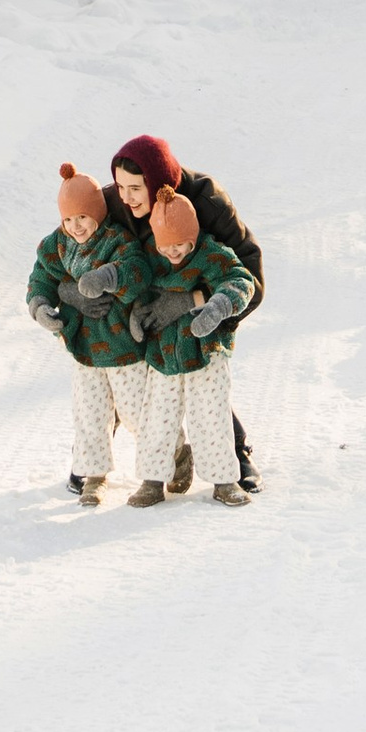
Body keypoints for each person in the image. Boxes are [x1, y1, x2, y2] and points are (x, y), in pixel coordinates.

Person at [111, 133, 262, 496]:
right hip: (145, 310)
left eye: (135, 188)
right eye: (120, 186)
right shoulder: (118, 199)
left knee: (204, 382)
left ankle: (234, 452)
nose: (126, 196)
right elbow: (73, 235)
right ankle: (92, 451)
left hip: (203, 312)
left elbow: (250, 277)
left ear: (158, 182)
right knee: (132, 387)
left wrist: (193, 303)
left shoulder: (208, 201)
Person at [26, 162, 152, 509]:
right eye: (69, 219)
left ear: (97, 212)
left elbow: (137, 271)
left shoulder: (116, 239)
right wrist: (40, 307)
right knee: (90, 414)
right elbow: (41, 279)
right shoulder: (57, 245)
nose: (76, 226)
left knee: (138, 411)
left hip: (123, 347)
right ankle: (94, 476)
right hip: (84, 349)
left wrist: (109, 277)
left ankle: (170, 456)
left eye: (82, 217)